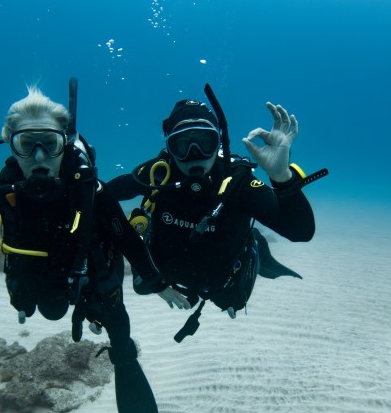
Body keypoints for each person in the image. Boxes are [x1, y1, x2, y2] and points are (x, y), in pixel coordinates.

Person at [0, 85, 165, 413]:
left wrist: (157, 281)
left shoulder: (90, 186)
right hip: (36, 276)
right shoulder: (3, 186)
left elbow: (127, 241)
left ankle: (124, 362)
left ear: (65, 142)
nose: (39, 157)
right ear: (10, 144)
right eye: (25, 145)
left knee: (116, 322)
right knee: (50, 311)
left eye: (49, 143)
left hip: (90, 274)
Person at [107, 85, 322, 342]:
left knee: (234, 298)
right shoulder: (158, 174)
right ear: (170, 147)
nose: (194, 154)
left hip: (222, 277)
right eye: (182, 144)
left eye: (205, 142)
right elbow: (100, 197)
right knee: (142, 285)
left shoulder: (236, 180)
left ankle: (256, 245)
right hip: (167, 269)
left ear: (219, 142)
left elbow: (300, 231)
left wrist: (281, 177)